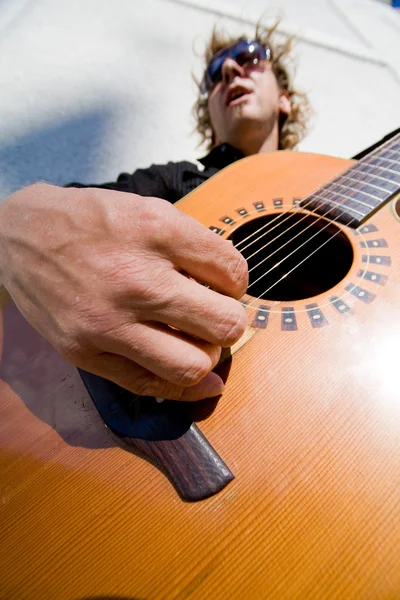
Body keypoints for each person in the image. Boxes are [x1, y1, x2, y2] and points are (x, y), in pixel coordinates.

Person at [0, 22, 310, 401]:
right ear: (210, 122)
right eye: (216, 73)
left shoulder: (334, 182)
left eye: (249, 57)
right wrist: (15, 222)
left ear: (285, 100)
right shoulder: (174, 179)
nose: (230, 70)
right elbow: (73, 217)